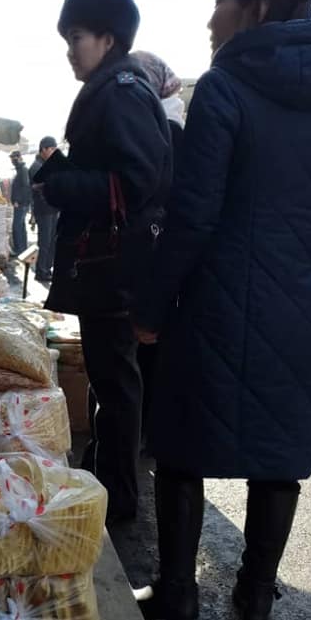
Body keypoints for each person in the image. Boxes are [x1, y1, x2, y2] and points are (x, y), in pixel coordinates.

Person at [134, 0, 311, 620]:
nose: (211, 20)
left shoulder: (225, 87)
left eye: (220, 2)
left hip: (216, 306)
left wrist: (152, 306)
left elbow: (193, 215)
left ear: (256, 8)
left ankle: (179, 599)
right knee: (280, 453)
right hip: (300, 311)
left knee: (181, 448)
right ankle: (257, 595)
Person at [34, 0, 171, 523]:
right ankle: (106, 480)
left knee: (116, 382)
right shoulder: (116, 88)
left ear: (108, 38)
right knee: (110, 378)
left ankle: (118, 498)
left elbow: (138, 180)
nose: (70, 49)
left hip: (117, 265)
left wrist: (63, 183)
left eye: (77, 36)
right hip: (111, 264)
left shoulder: (121, 92)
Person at [130, 52, 186, 449]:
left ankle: (147, 430)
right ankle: (149, 430)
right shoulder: (171, 125)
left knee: (148, 344)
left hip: (155, 251)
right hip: (159, 251)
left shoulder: (164, 130)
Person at [29, 136, 59, 283]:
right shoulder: (36, 166)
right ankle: (41, 271)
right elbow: (40, 189)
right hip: (44, 210)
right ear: (43, 149)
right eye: (51, 149)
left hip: (52, 209)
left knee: (51, 241)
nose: (53, 152)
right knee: (45, 242)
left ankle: (47, 269)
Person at [9, 150, 31, 256]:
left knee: (17, 227)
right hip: (22, 203)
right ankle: (23, 248)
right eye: (11, 158)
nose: (12, 160)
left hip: (21, 204)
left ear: (19, 157)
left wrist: (18, 200)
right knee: (21, 226)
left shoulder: (23, 170)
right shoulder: (20, 170)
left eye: (14, 158)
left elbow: (25, 187)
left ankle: (19, 249)